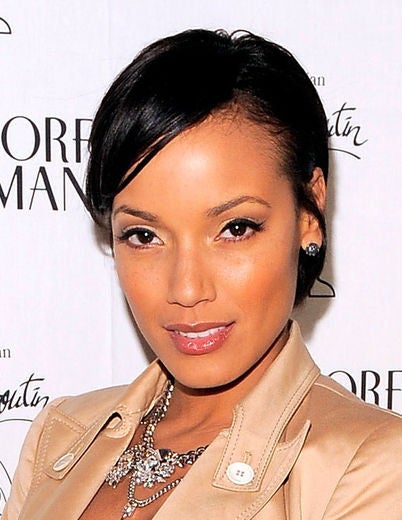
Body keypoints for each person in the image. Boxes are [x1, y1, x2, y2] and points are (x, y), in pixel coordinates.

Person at [4, 29, 402, 520]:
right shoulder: (59, 437)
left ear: (309, 212)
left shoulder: (370, 465)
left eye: (235, 228)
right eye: (144, 235)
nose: (187, 290)